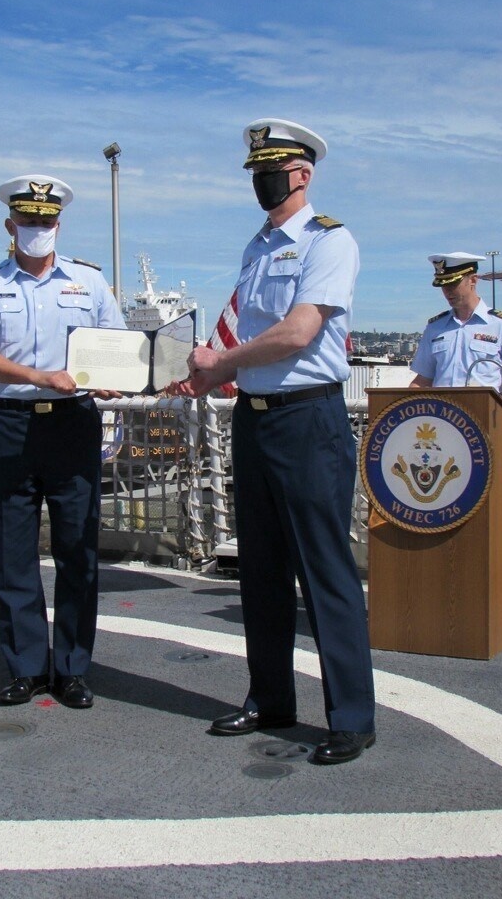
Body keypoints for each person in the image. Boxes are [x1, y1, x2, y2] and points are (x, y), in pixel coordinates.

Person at [179, 119, 376, 765]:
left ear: (302, 173)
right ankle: (270, 698)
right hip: (256, 420)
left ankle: (351, 715)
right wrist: (216, 370)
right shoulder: (256, 247)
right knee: (260, 570)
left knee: (324, 570)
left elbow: (297, 333)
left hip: (307, 419)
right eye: (256, 170)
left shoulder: (330, 241)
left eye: (274, 169)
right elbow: (252, 331)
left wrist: (222, 363)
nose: (263, 181)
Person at [0, 175, 125, 708]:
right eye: (28, 221)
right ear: (11, 225)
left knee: (78, 549)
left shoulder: (90, 283)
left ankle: (74, 668)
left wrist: (120, 374)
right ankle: (26, 667)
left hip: (73, 423)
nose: (38, 230)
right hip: (10, 424)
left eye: (46, 221)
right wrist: (39, 375)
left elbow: (117, 346)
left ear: (60, 224)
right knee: (13, 551)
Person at [409, 252, 502, 399]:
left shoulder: (501, 325)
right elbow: (422, 380)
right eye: (443, 285)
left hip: (482, 414)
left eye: (453, 283)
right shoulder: (435, 328)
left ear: (473, 280)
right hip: (442, 416)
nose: (448, 291)